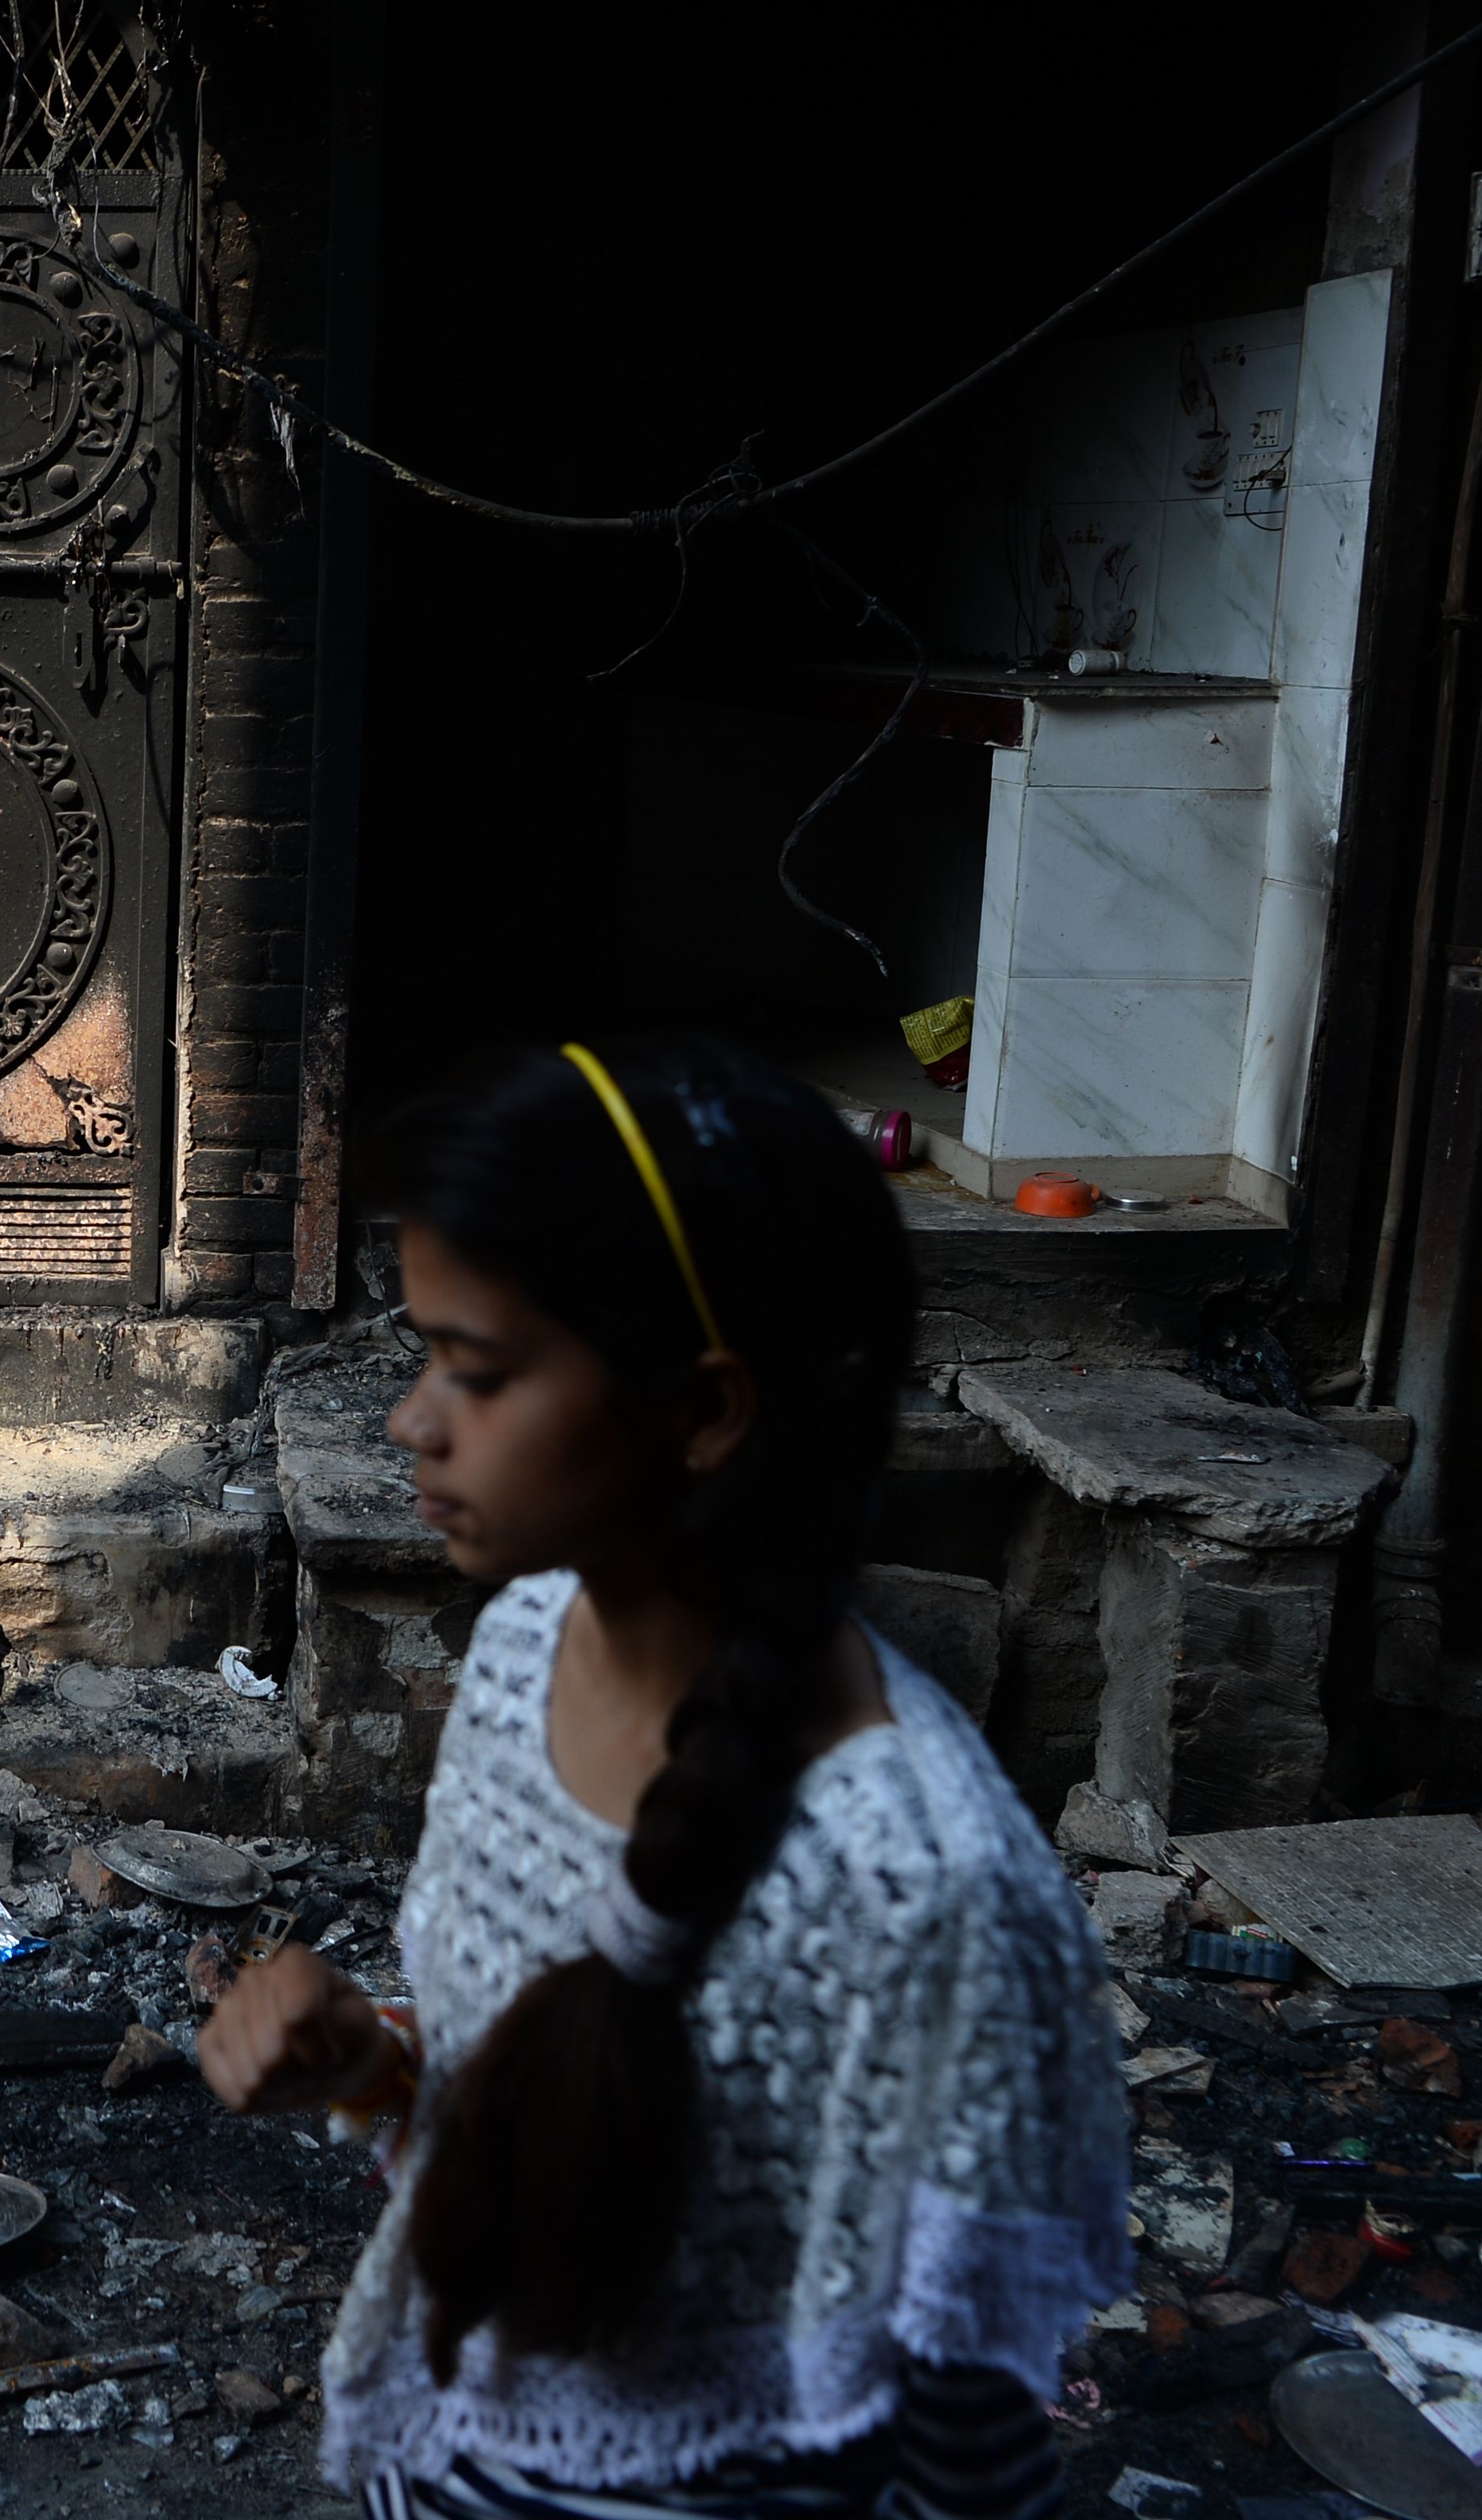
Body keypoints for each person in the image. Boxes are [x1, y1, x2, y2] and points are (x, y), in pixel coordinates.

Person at [199, 1037, 1130, 2520]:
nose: (412, 1424)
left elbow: (966, 2449)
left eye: (480, 1372)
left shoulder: (926, 1889)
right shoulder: (516, 1654)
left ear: (704, 1409)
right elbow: (553, 2110)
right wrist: (369, 2072)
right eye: (424, 1356)